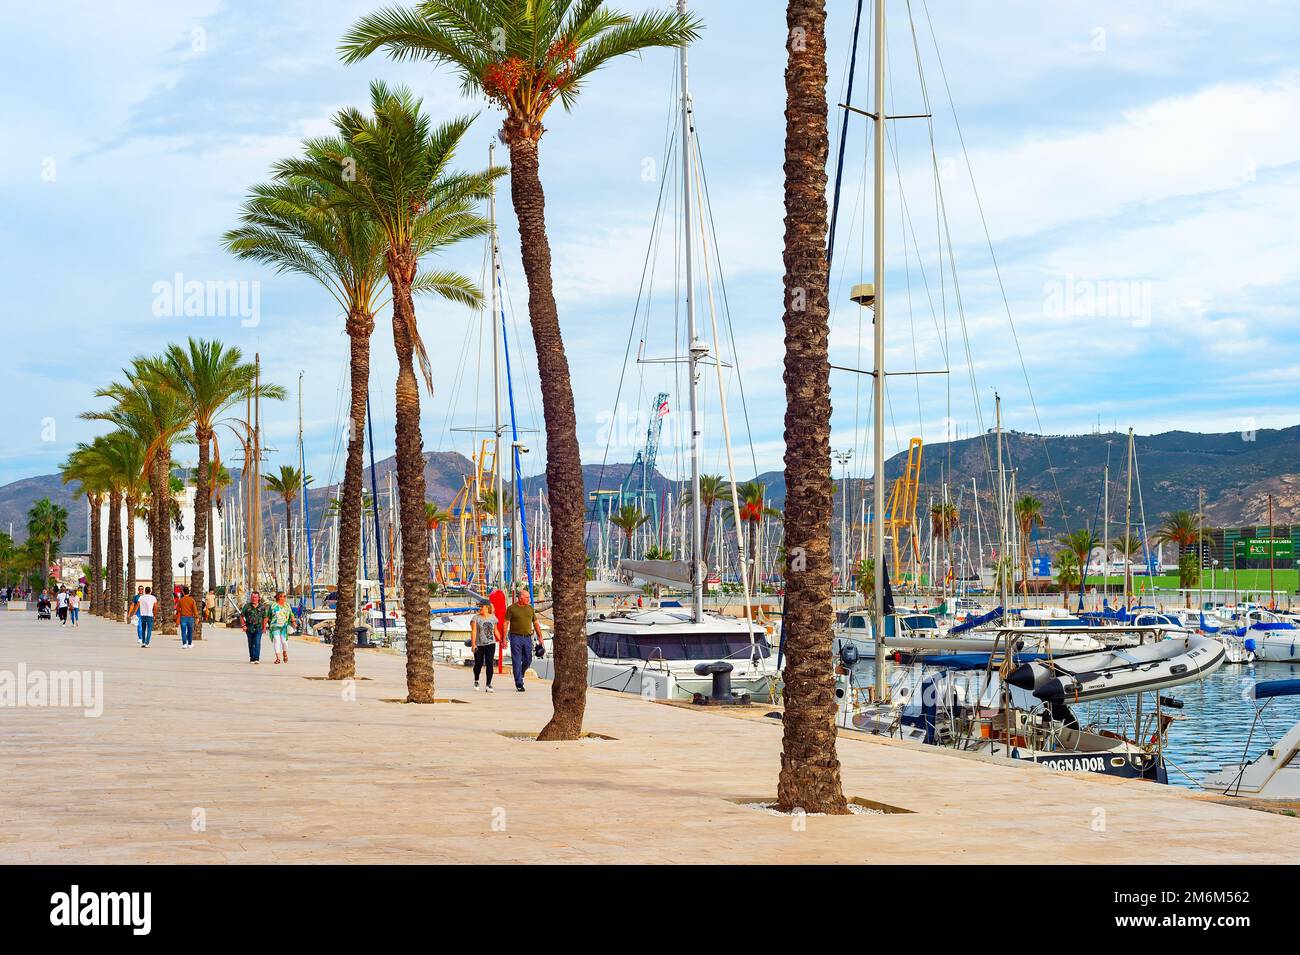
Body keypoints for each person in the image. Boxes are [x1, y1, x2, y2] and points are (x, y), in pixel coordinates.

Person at [505, 590, 544, 692]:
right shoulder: (511, 609)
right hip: (515, 637)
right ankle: (519, 683)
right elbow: (506, 623)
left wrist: (540, 637)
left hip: (527, 637)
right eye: (527, 598)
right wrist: (504, 638)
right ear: (520, 598)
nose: (529, 599)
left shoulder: (530, 609)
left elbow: (536, 623)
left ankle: (521, 673)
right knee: (516, 660)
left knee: (528, 659)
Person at [471, 600, 499, 692]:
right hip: (479, 644)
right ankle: (476, 680)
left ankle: (488, 684)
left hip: (491, 644)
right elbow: (474, 631)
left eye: (481, 607)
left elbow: (495, 631)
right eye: (479, 606)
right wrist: (473, 644)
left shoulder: (493, 618)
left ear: (487, 607)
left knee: (489, 663)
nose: (480, 608)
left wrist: (501, 639)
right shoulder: (475, 618)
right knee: (478, 664)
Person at [238, 592, 269, 664]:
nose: (254, 599)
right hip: (249, 628)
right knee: (251, 643)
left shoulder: (262, 607)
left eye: (255, 597)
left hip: (259, 628)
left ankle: (256, 658)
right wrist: (243, 626)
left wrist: (264, 627)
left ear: (258, 598)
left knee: (257, 642)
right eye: (252, 597)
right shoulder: (247, 606)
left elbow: (265, 617)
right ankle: (252, 657)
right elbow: (241, 616)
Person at [268, 592, 293, 664]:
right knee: (276, 640)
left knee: (284, 642)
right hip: (275, 626)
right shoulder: (273, 605)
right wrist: (264, 626)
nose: (285, 597)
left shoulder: (287, 605)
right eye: (283, 596)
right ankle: (278, 658)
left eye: (285, 596)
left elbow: (291, 614)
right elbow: (267, 615)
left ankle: (284, 653)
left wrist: (293, 622)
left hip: (284, 627)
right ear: (279, 597)